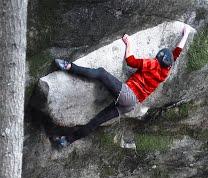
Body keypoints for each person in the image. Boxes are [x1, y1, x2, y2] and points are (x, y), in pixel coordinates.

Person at [53, 26, 191, 148]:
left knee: (101, 73)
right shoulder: (166, 71)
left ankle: (70, 66)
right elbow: (176, 54)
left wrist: (128, 43)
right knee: (96, 122)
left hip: (128, 95)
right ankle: (67, 141)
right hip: (130, 105)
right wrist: (185, 35)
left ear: (158, 58)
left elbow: (130, 61)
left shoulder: (153, 64)